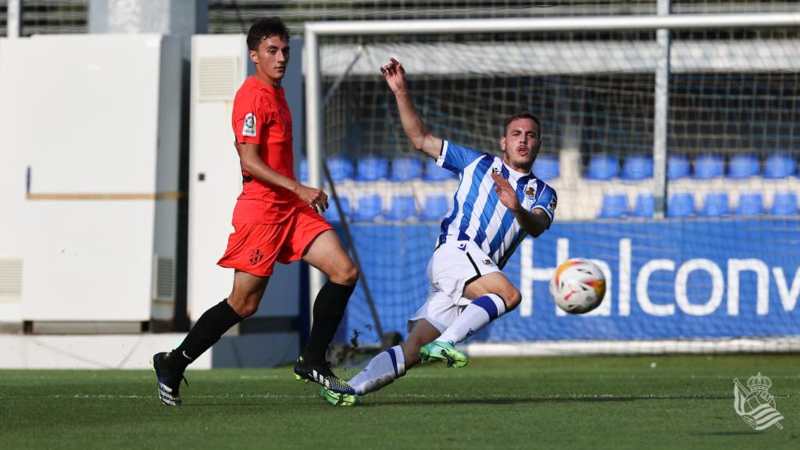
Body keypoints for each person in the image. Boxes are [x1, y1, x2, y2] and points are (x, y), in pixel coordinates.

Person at [321, 58, 557, 406]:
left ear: (538, 144)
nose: (523, 141)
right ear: (503, 142)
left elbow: (536, 225)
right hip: (455, 252)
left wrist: (516, 207)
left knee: (413, 349)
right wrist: (401, 92)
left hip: (472, 272)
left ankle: (350, 388)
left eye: (531, 135)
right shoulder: (477, 163)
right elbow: (420, 139)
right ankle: (447, 343)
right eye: (516, 134)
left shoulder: (544, 192)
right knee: (509, 296)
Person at [153, 17, 358, 406]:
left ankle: (312, 360)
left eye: (285, 51)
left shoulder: (279, 93)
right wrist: (300, 187)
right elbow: (249, 160)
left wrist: (297, 195)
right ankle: (173, 363)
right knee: (244, 303)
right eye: (272, 51)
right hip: (262, 210)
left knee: (344, 271)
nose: (281, 58)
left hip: (291, 209)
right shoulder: (252, 96)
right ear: (254, 56)